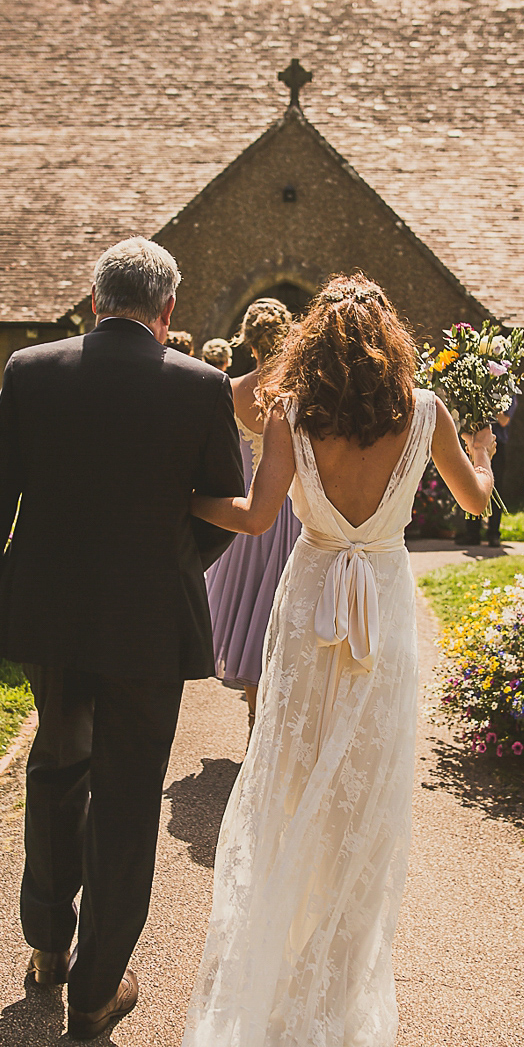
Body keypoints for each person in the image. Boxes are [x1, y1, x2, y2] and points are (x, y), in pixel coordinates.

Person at [125, 274, 495, 1047]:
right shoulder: (426, 413)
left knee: (291, 806)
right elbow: (477, 499)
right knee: (366, 817)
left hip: (309, 616)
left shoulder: (289, 414)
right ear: (391, 347)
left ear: (310, 353)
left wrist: (180, 494)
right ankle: (333, 1012)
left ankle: (288, 994)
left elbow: (254, 519)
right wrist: (485, 454)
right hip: (383, 611)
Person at [0, 239, 243, 1041]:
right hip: (150, 620)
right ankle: (97, 985)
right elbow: (222, 501)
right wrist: (177, 562)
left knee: (57, 763)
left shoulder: (31, 371)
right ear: (169, 311)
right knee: (127, 793)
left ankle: (49, 945)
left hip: (48, 610)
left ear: (93, 302)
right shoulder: (202, 387)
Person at [205, 298, 301, 733]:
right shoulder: (302, 393)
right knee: (285, 619)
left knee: (251, 617)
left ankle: (253, 717)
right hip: (294, 517)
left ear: (246, 340)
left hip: (245, 522)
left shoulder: (229, 389)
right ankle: (281, 727)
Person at [467, 397, 516, 547]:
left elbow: (504, 420)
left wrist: (487, 405)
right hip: (474, 443)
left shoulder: (508, 394)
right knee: (471, 483)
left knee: (495, 488)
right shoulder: (476, 390)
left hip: (497, 444)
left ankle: (494, 533)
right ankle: (472, 533)